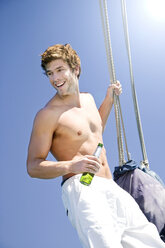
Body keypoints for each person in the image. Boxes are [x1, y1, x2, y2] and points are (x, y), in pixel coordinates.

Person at [27, 43, 165, 248]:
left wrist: (108, 99)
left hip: (112, 187)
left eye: (59, 70)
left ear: (76, 69)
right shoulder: (47, 115)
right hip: (83, 188)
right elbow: (33, 166)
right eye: (49, 73)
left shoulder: (88, 99)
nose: (55, 79)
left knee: (151, 243)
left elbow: (95, 130)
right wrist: (71, 166)